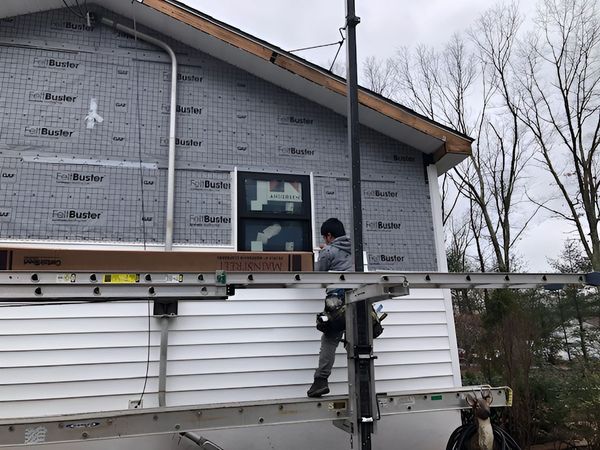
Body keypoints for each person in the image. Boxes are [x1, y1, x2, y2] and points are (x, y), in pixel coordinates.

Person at [307, 218, 353, 398]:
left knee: (329, 341)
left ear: (328, 236)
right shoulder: (354, 249)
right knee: (358, 341)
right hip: (360, 297)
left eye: (325, 238)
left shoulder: (328, 251)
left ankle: (320, 381)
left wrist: (323, 253)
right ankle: (361, 380)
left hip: (338, 302)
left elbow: (318, 275)